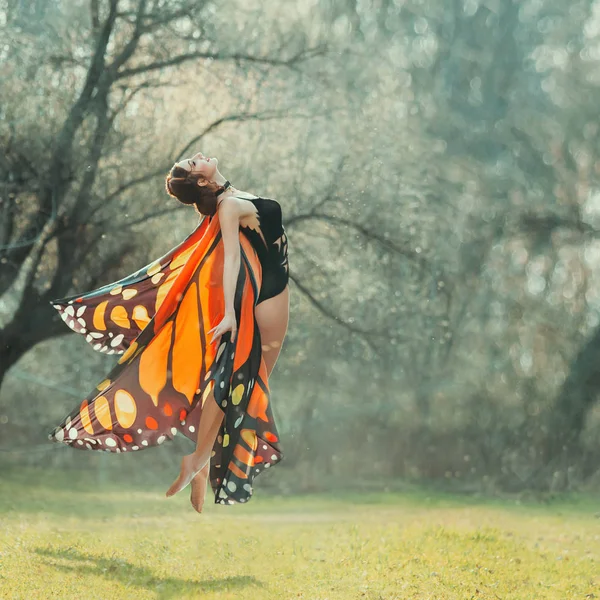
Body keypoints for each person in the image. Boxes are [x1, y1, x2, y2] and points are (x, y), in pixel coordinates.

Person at [48, 151, 289, 513]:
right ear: (203, 181)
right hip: (266, 298)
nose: (198, 157)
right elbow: (233, 260)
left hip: (267, 289)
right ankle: (199, 458)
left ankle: (201, 460)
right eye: (194, 165)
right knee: (241, 380)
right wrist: (228, 315)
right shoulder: (227, 208)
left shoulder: (230, 198)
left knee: (241, 380)